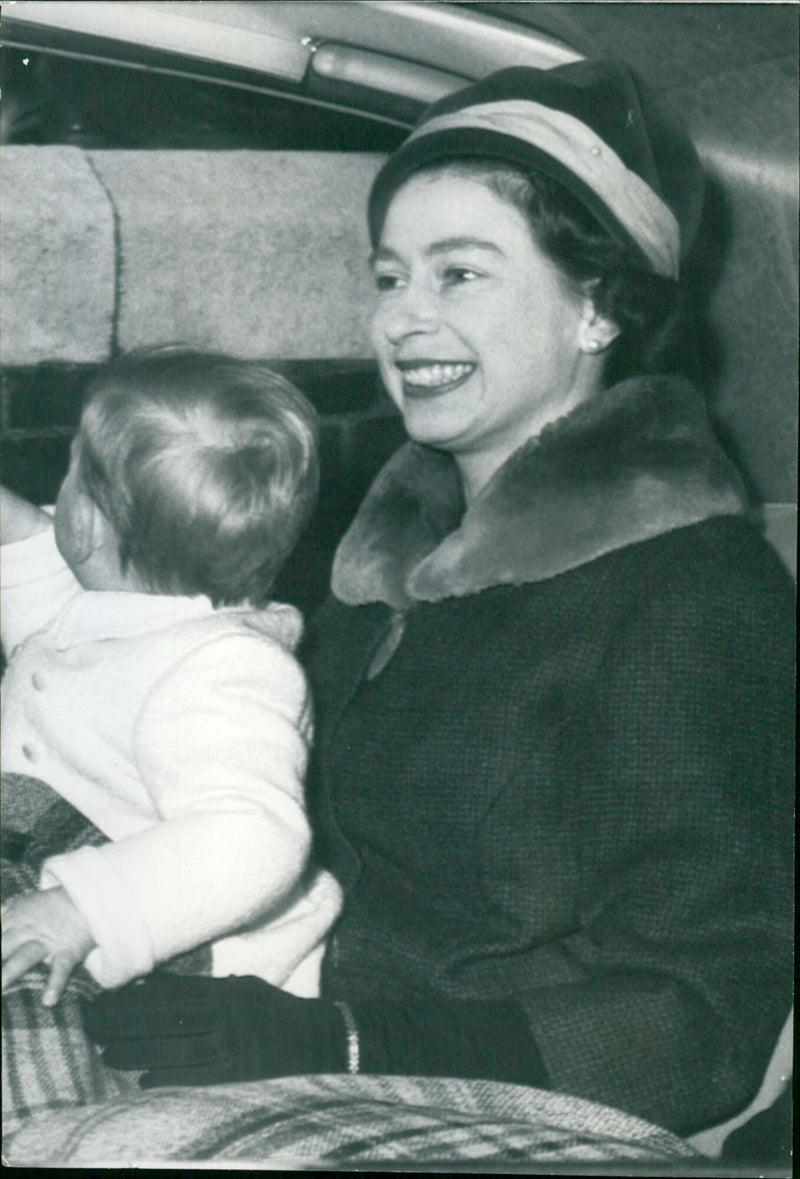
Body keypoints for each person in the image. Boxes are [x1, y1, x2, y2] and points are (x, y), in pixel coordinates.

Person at [83, 62, 794, 1139]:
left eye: (458, 276)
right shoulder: (369, 570)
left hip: (507, 1113)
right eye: (387, 277)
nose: (402, 322)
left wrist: (345, 1043)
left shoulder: (692, 594)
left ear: (595, 307)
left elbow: (699, 1015)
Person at [1, 348, 342, 1005]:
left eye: (72, 466)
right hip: (56, 888)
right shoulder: (122, 605)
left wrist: (82, 909)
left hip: (184, 967)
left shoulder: (224, 669)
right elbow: (39, 573)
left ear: (85, 520)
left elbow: (252, 840)